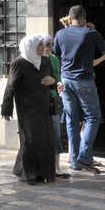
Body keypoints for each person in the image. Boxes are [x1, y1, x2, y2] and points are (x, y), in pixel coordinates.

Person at [54, 5, 105, 175]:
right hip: (84, 80)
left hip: (66, 80)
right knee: (92, 117)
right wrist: (92, 30)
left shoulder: (60, 34)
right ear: (84, 17)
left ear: (69, 18)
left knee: (72, 120)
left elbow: (57, 52)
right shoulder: (90, 33)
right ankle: (85, 157)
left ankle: (75, 161)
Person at [1, 34, 57, 185]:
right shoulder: (19, 63)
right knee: (30, 140)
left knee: (45, 139)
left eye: (43, 44)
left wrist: (53, 81)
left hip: (44, 107)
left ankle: (41, 173)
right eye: (40, 45)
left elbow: (52, 81)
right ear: (31, 47)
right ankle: (29, 174)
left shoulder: (45, 61)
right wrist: (6, 109)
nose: (43, 47)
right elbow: (11, 86)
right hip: (27, 109)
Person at [42, 34, 69, 179]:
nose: (51, 47)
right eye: (48, 44)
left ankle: (56, 167)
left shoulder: (53, 59)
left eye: (52, 44)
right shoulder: (34, 60)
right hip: (39, 101)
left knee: (55, 132)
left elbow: (58, 76)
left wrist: (58, 82)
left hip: (53, 100)